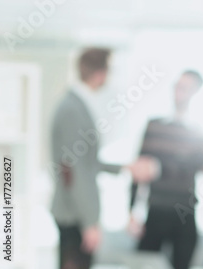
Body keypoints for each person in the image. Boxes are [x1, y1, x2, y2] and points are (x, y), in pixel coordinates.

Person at [50, 47, 157, 269]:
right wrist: (89, 222)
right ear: (100, 73)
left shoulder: (77, 104)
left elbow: (87, 162)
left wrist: (125, 168)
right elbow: (75, 169)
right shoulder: (73, 109)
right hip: (74, 215)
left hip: (75, 212)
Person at [130, 70, 203, 269]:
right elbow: (139, 170)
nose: (179, 91)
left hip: (184, 213)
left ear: (196, 93)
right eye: (177, 86)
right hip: (155, 211)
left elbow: (189, 167)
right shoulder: (154, 126)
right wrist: (131, 212)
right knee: (143, 264)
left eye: (186, 88)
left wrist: (157, 167)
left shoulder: (202, 134)